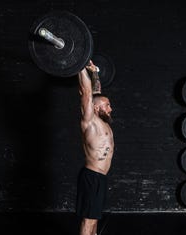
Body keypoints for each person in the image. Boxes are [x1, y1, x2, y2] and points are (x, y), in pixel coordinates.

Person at [76, 60, 114, 235]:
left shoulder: (102, 121)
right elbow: (87, 92)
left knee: (95, 219)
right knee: (88, 221)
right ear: (96, 107)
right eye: (107, 105)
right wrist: (80, 66)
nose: (111, 108)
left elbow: (96, 90)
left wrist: (94, 72)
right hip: (91, 176)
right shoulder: (89, 120)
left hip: (101, 178)